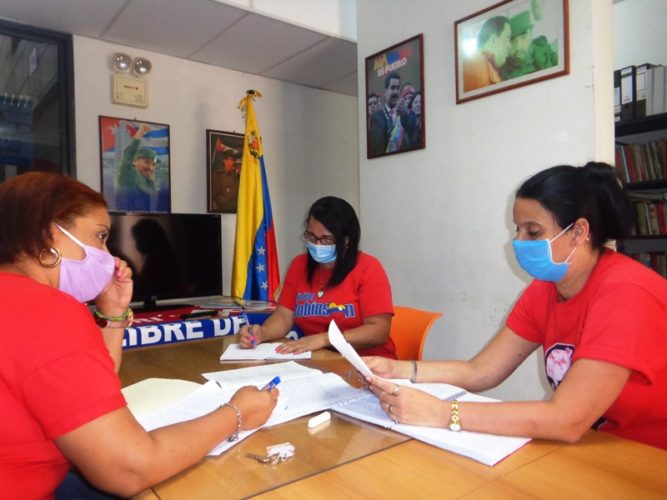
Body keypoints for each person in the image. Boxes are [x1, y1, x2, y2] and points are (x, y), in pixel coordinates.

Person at [0, 172, 278, 498]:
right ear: (50, 234)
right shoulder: (45, 311)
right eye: (101, 236)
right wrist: (237, 413)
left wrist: (115, 313)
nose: (108, 253)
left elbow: (85, 392)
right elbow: (130, 468)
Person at [364, 162, 667, 450]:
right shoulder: (546, 288)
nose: (518, 242)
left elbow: (566, 419)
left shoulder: (624, 294)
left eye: (532, 232)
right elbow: (480, 371)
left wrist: (444, 413)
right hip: (603, 444)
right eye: (517, 229)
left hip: (651, 454)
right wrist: (399, 369)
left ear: (578, 232)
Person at [239, 196, 396, 358]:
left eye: (326, 239)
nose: (317, 245)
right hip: (318, 361)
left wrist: (324, 339)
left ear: (347, 240)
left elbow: (379, 331)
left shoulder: (368, 268)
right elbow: (283, 316)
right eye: (312, 237)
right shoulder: (299, 265)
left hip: (369, 364)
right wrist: (262, 333)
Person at [115, 123, 170, 212]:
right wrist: (140, 132)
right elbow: (128, 155)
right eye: (146, 162)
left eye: (153, 164)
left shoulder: (149, 183)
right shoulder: (128, 175)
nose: (150, 167)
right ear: (134, 161)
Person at [463, 15, 512, 92]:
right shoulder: (475, 64)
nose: (509, 46)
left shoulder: (487, 66)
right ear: (493, 40)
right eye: (507, 37)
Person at [369, 72, 413, 156]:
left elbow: (414, 140)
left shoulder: (405, 114)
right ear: (385, 92)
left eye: (398, 88)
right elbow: (379, 147)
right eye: (392, 88)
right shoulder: (376, 117)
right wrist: (394, 117)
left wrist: (405, 116)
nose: (396, 92)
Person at [500, 11, 535, 80]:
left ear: (530, 36)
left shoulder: (545, 56)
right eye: (512, 41)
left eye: (523, 37)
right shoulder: (500, 75)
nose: (518, 47)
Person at [212, 148, 240, 212]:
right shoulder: (218, 176)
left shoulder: (240, 176)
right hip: (226, 211)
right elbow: (216, 197)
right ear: (225, 161)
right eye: (232, 159)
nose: (234, 162)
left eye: (235, 159)